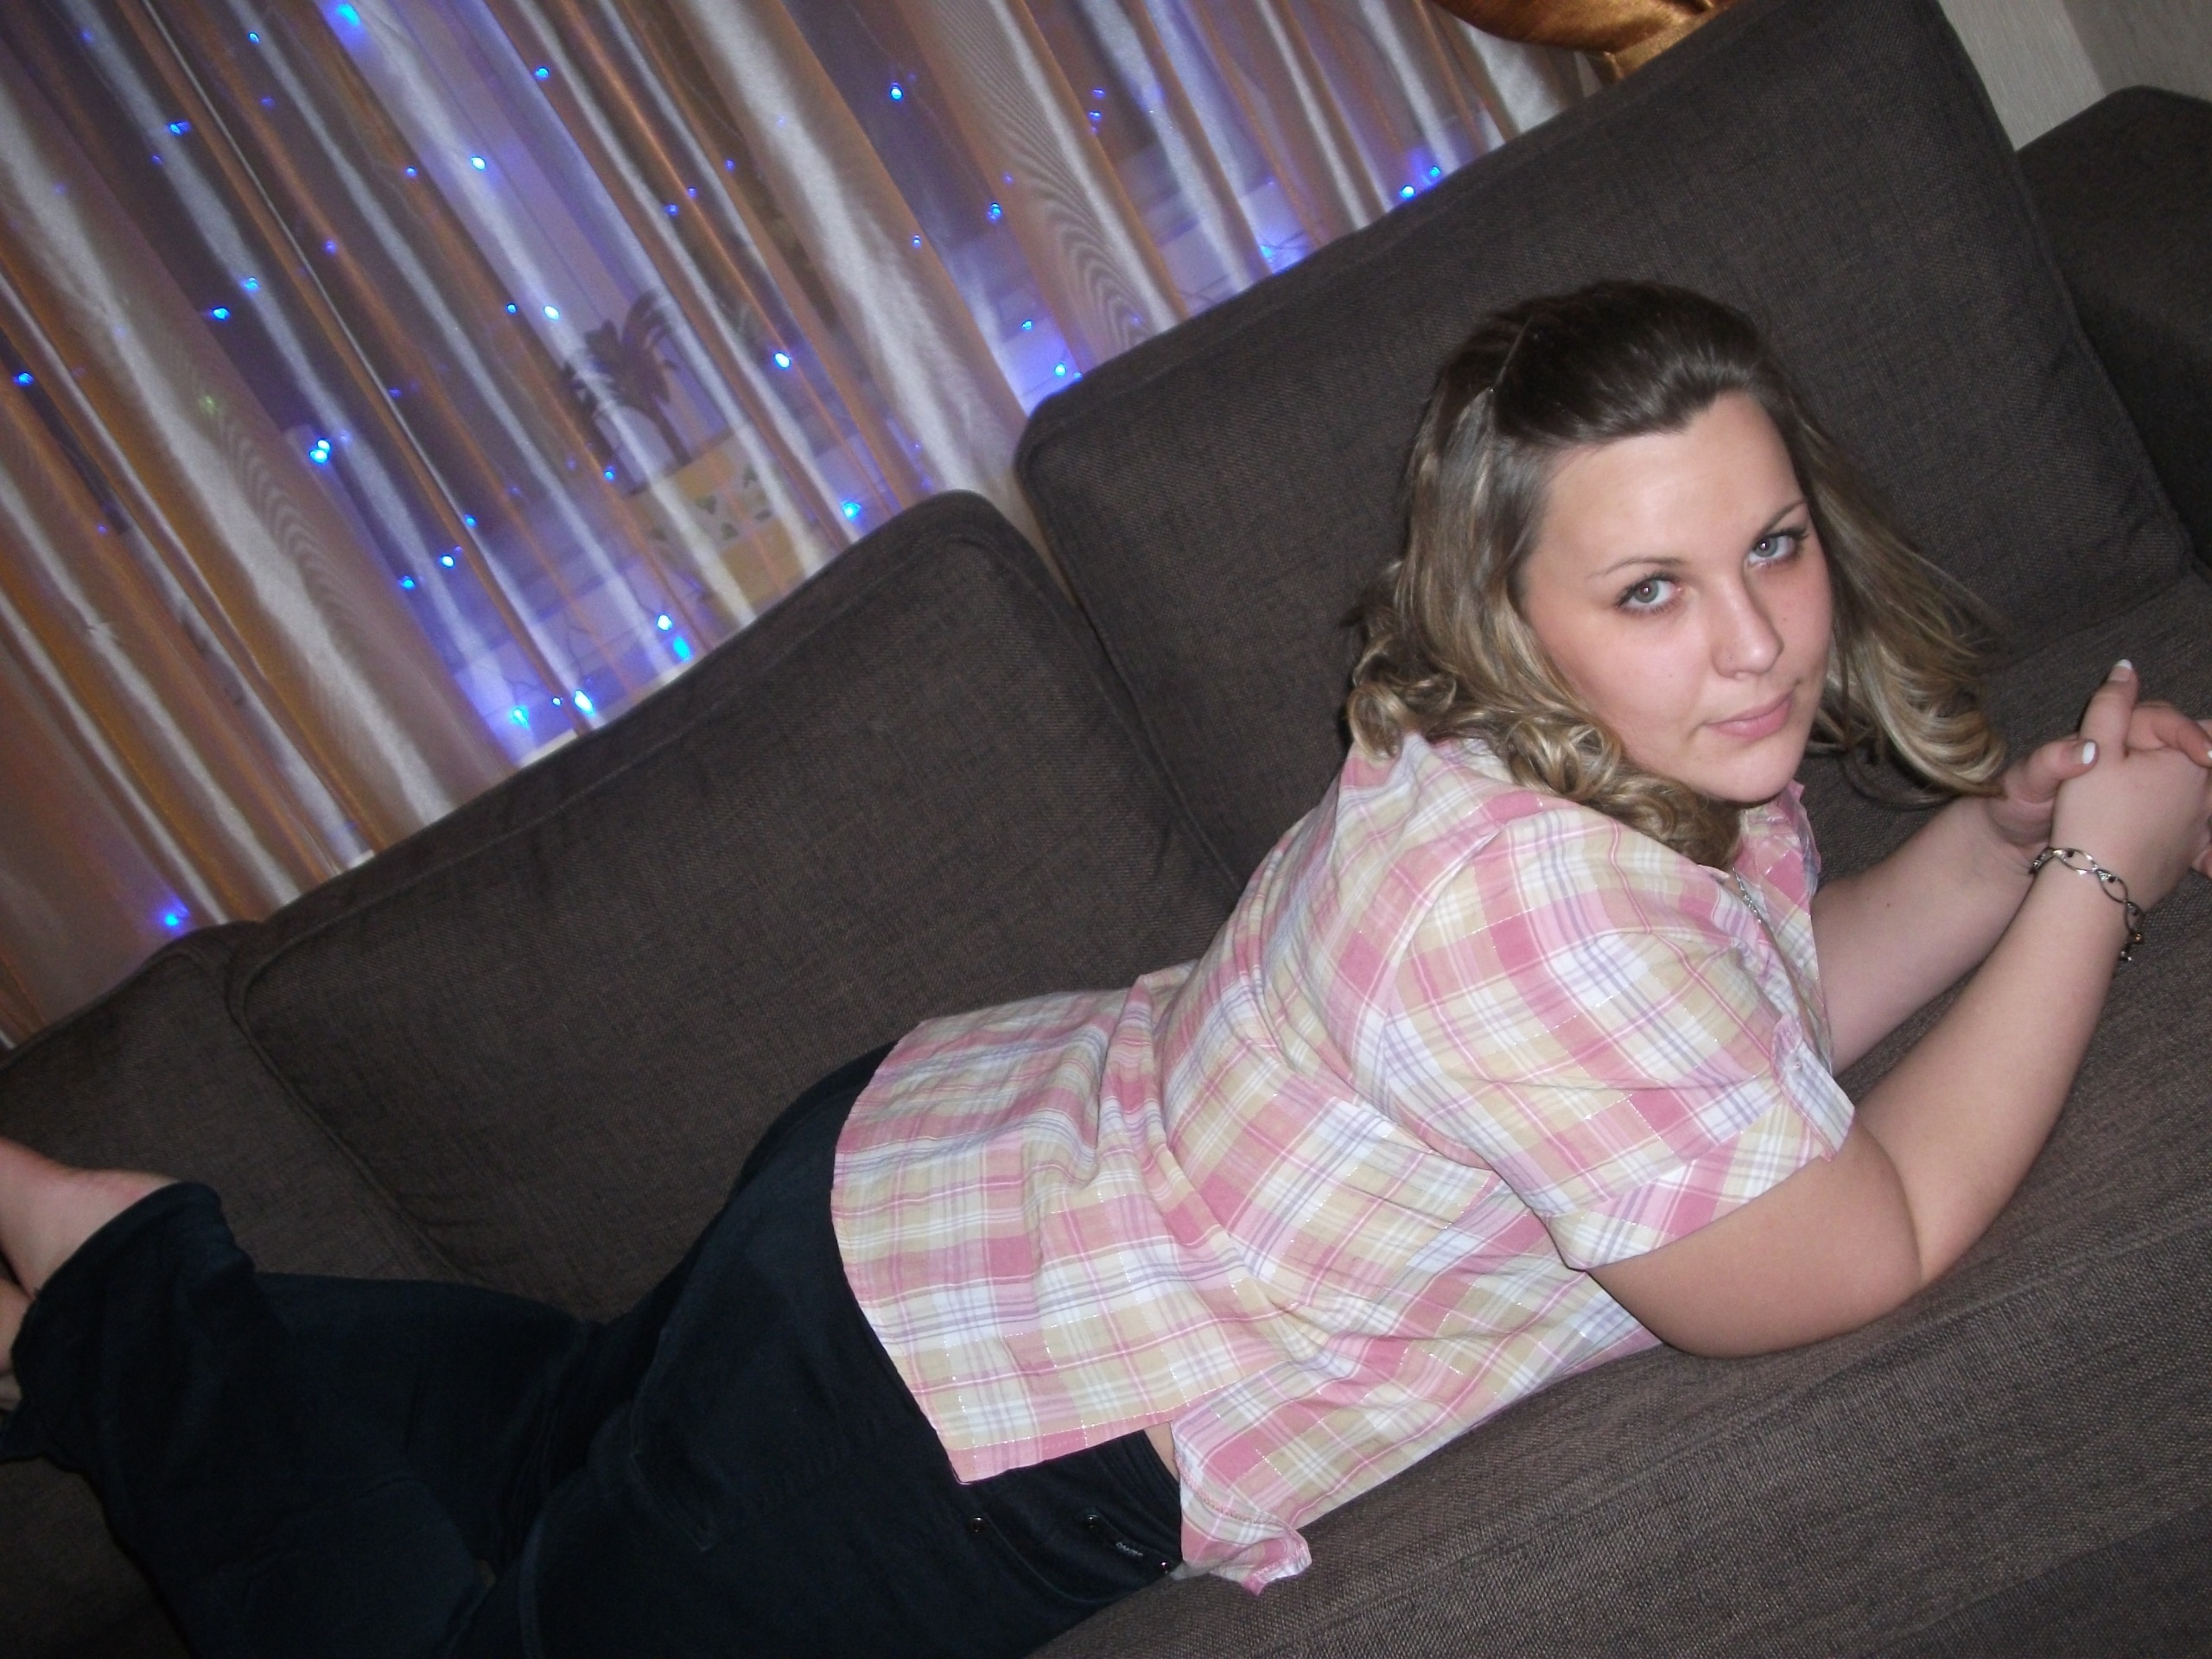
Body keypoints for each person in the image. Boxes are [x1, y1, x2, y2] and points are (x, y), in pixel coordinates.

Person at [3, 282, 2208, 1659]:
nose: (1751, 643)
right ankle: (123, 1291)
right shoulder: (1531, 907)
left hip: (917, 1185)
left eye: (1769, 545)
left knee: (566, 1435)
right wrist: (2097, 894)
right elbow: (1854, 1239)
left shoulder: (1571, 754)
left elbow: (1743, 1038)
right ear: (1505, 611)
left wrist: (1992, 854)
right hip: (960, 1415)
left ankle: (72, 1348)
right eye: (1650, 589)